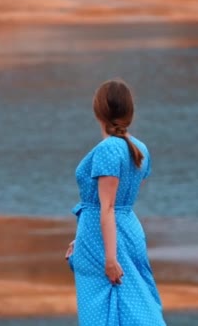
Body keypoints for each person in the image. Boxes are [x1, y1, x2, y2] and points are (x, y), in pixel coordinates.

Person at [65, 79, 166, 325]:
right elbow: (126, 196)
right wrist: (82, 237)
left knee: (107, 308)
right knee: (134, 298)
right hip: (123, 230)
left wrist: (110, 258)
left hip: (106, 238)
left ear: (98, 110)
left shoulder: (109, 149)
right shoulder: (138, 148)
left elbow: (108, 205)